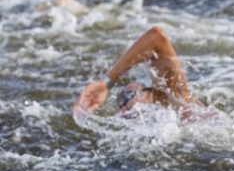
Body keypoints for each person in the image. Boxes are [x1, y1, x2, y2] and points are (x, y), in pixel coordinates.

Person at [73, 26, 216, 121]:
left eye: (125, 97)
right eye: (123, 102)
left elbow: (157, 36)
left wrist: (107, 83)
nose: (123, 105)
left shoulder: (177, 98)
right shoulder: (169, 115)